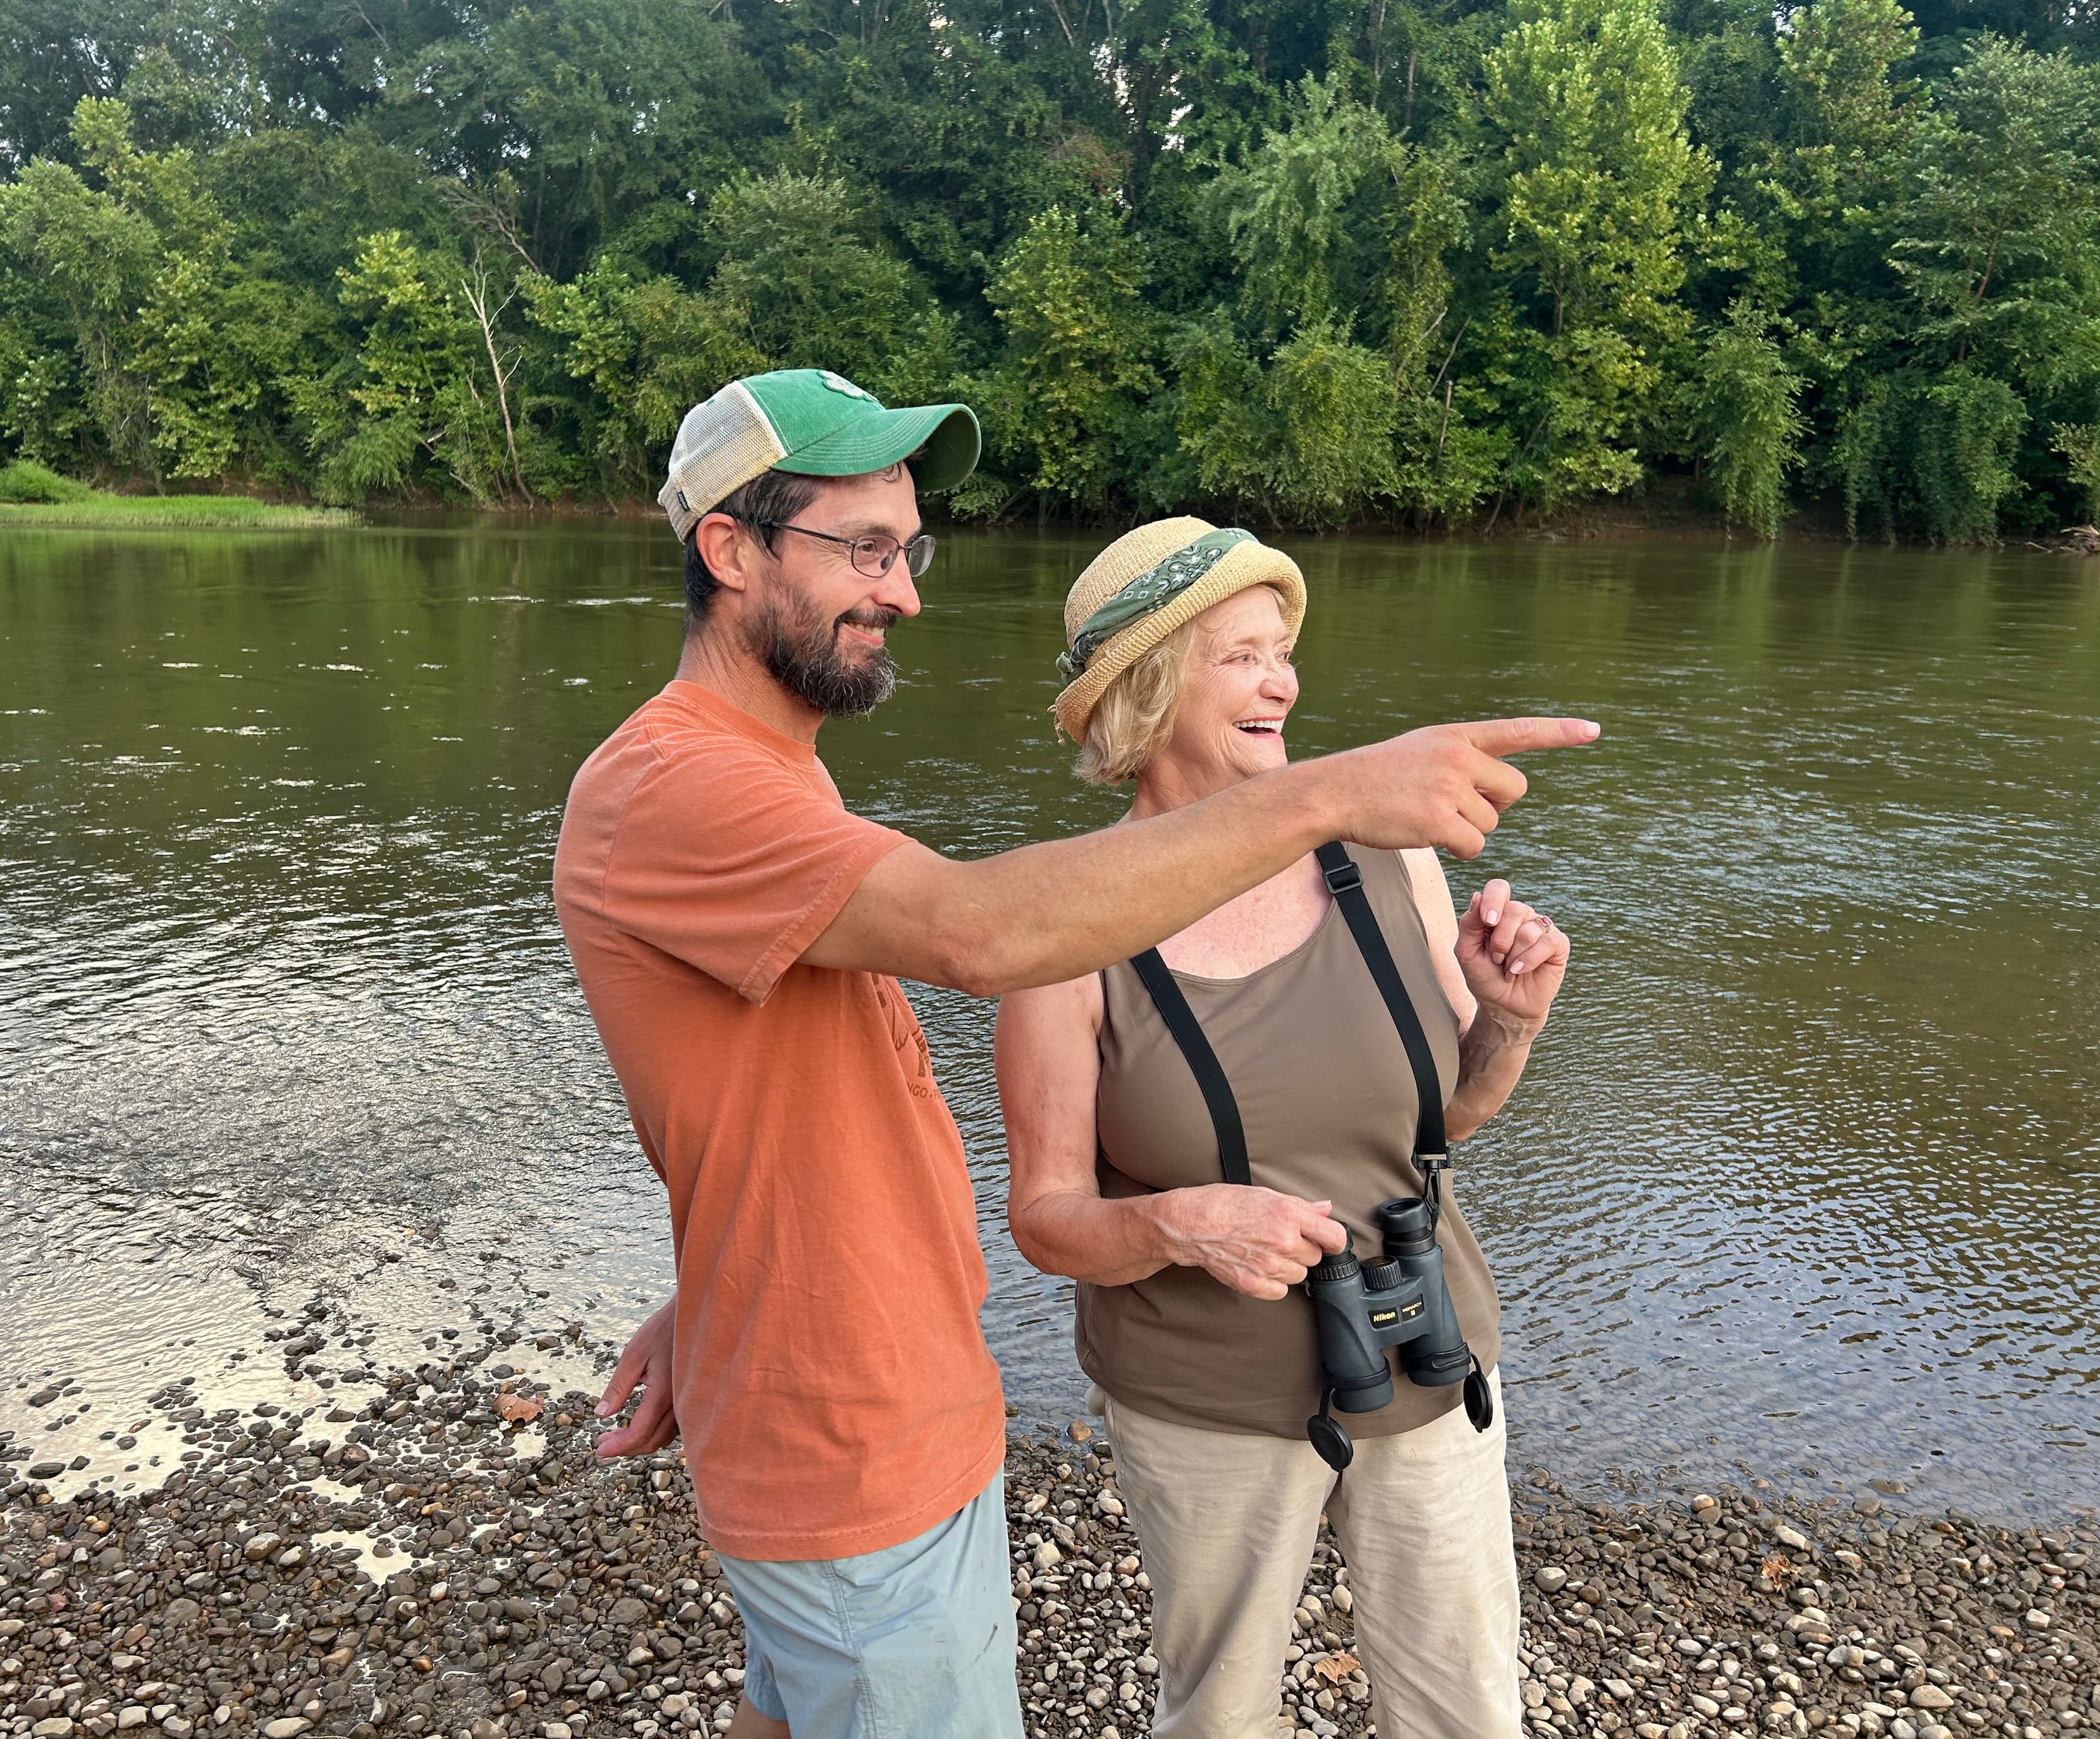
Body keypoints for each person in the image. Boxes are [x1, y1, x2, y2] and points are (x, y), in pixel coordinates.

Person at [551, 372, 1596, 1739]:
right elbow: (984, 937)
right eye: (865, 550)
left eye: (908, 550)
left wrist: (722, 1299)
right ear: (731, 550)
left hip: (882, 1396)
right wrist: (1329, 789)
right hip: (855, 1438)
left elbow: (759, 1105)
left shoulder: (771, 772)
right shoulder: (679, 785)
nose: (908, 591)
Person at [993, 516, 1578, 1739]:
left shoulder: (1387, 850)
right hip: (1204, 1403)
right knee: (1221, 1716)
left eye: (1284, 651)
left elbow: (1447, 1116)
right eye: (1244, 656)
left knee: (1470, 1708)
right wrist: (1177, 1223)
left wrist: (1510, 1022)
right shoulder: (1063, 930)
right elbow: (1046, 1220)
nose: (1286, 682)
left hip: (1429, 1354)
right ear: (1149, 690)